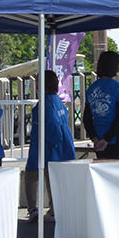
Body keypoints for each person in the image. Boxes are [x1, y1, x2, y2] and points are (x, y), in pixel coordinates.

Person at [22, 69, 76, 221]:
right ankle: (54, 208)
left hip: (46, 147)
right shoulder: (57, 101)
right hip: (60, 146)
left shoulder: (44, 103)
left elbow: (51, 126)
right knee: (52, 178)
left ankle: (35, 209)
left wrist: (53, 141)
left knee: (33, 175)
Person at [82, 50, 119, 158]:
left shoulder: (91, 88)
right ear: (115, 67)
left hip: (98, 138)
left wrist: (95, 139)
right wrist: (107, 139)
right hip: (118, 139)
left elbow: (86, 119)